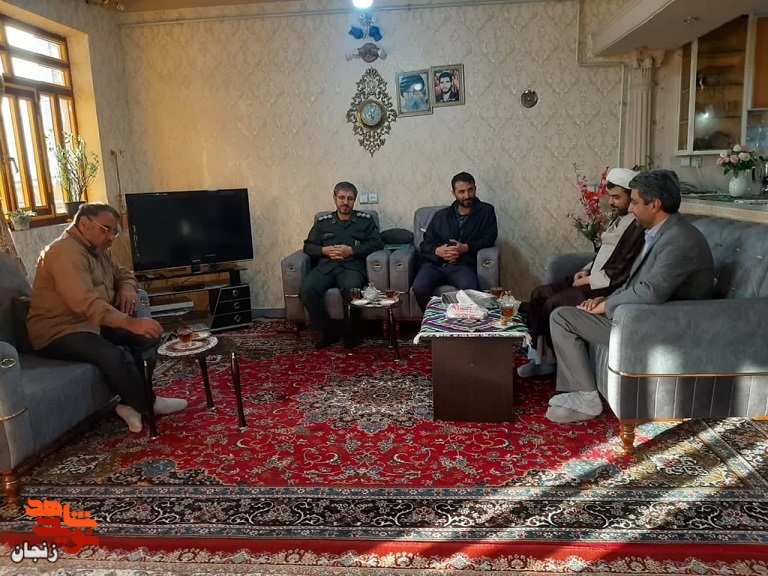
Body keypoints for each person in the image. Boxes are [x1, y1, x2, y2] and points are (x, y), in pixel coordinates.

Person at [546, 170, 714, 423]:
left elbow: (651, 291)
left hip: (658, 326)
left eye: (634, 202)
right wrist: (607, 299)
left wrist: (607, 306)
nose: (631, 209)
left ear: (655, 204)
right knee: (564, 313)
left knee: (562, 318)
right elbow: (636, 282)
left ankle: (586, 400)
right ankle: (580, 393)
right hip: (639, 315)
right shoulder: (662, 232)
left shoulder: (680, 240)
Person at [27, 203, 187, 434]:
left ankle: (128, 404)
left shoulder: (99, 248)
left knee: (148, 337)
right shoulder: (63, 253)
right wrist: (130, 322)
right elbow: (84, 303)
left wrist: (127, 288)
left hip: (94, 323)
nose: (111, 237)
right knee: (113, 355)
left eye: (115, 231)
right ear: (84, 224)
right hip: (59, 330)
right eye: (106, 229)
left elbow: (124, 273)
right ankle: (148, 404)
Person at [518, 168, 645, 378]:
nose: (611, 202)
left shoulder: (637, 225)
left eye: (616, 197)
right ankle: (538, 357)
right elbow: (605, 252)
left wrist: (589, 280)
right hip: (592, 276)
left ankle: (554, 362)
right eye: (610, 197)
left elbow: (622, 268)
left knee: (554, 303)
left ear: (632, 195)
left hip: (605, 286)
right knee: (538, 294)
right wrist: (585, 268)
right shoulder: (620, 219)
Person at [300, 181, 383, 349]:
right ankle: (328, 331)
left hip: (352, 266)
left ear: (354, 200)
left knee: (352, 290)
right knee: (307, 289)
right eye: (342, 198)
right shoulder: (323, 222)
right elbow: (308, 246)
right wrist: (324, 250)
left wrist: (351, 250)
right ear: (335, 198)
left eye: (350, 199)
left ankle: (350, 333)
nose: (345, 202)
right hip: (327, 266)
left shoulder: (365, 221)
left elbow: (377, 244)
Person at [413, 172, 498, 312]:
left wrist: (466, 248)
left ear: (475, 189)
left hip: (463, 265)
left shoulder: (486, 211)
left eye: (470, 190)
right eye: (461, 192)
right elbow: (425, 244)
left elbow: (489, 239)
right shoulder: (441, 215)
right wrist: (437, 250)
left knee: (470, 289)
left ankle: (464, 321)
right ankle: (433, 319)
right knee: (419, 288)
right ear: (454, 193)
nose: (467, 195)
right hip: (435, 265)